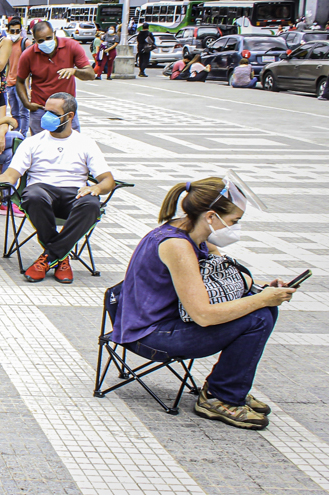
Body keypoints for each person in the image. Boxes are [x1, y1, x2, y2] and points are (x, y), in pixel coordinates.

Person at [113, 177, 296, 429]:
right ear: (211, 216)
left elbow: (225, 277)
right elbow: (203, 315)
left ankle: (227, 386)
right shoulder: (176, 244)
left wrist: (261, 291)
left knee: (264, 307)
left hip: (168, 321)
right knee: (257, 316)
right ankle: (220, 396)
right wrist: (260, 300)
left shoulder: (194, 234)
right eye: (234, 221)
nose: (235, 227)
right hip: (148, 333)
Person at [0, 92, 114, 284]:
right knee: (33, 196)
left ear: (69, 116)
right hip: (42, 191)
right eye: (46, 111)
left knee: (92, 205)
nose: (46, 117)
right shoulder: (33, 142)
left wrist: (96, 189)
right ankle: (62, 257)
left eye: (53, 113)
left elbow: (108, 180)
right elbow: (11, 175)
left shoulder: (86, 143)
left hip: (74, 193)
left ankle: (49, 257)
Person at [14, 20, 94, 135]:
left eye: (48, 38)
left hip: (66, 110)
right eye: (40, 41)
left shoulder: (71, 46)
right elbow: (20, 81)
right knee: (41, 147)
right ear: (34, 40)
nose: (45, 43)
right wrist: (27, 104)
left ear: (54, 34)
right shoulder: (28, 54)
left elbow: (90, 74)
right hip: (41, 109)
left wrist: (74, 71)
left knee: (71, 145)